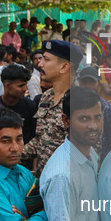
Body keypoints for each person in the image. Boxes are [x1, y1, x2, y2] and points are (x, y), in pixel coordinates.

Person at [40, 87, 104, 221]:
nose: (93, 126)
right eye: (84, 119)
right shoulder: (62, 175)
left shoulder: (91, 154)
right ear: (66, 120)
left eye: (97, 117)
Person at [22, 40, 83, 177]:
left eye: (46, 60)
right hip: (45, 179)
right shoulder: (46, 97)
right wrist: (11, 155)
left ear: (64, 67)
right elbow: (41, 140)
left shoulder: (82, 102)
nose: (40, 64)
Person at [79, 67, 111, 161]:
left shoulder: (107, 109)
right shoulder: (74, 107)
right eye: (84, 82)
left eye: (92, 82)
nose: (88, 86)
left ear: (98, 84)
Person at [0, 64, 38, 144]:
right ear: (7, 86)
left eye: (25, 85)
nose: (25, 89)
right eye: (21, 86)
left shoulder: (30, 106)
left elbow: (34, 134)